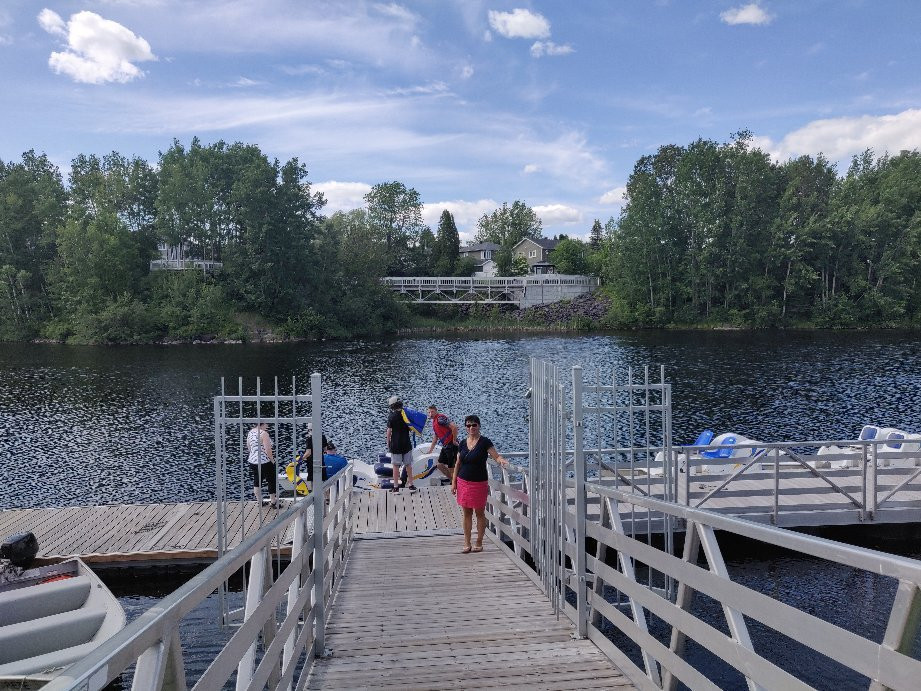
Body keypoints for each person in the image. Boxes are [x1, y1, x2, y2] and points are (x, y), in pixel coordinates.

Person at [452, 414, 508, 553]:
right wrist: (454, 483)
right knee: (466, 513)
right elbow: (458, 464)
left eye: (474, 425)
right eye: (468, 425)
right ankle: (466, 542)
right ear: (466, 427)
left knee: (479, 513)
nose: (471, 428)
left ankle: (479, 541)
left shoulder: (484, 442)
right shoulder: (463, 443)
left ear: (479, 426)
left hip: (479, 483)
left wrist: (501, 460)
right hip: (463, 481)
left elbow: (496, 456)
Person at [387, 395, 417, 493]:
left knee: (395, 466)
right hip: (406, 443)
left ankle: (396, 487)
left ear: (392, 406)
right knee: (408, 465)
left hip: (395, 444)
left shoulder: (391, 416)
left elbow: (389, 432)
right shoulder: (406, 414)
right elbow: (411, 427)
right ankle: (411, 485)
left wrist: (388, 443)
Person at [247, 421, 277, 508]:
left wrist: (254, 455)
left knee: (257, 481)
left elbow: (249, 446)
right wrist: (272, 460)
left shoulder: (251, 432)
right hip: (264, 462)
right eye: (267, 424)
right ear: (262, 424)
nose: (267, 426)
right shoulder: (264, 434)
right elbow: (268, 450)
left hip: (253, 461)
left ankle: (259, 502)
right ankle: (273, 502)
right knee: (271, 480)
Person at [427, 405, 458, 483]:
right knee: (439, 464)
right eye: (429, 412)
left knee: (452, 467)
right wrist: (430, 450)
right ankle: (453, 481)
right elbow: (435, 438)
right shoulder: (434, 422)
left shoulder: (440, 419)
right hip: (445, 446)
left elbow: (454, 427)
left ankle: (455, 485)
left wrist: (454, 440)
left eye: (432, 412)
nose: (431, 414)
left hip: (451, 445)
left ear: (436, 411)